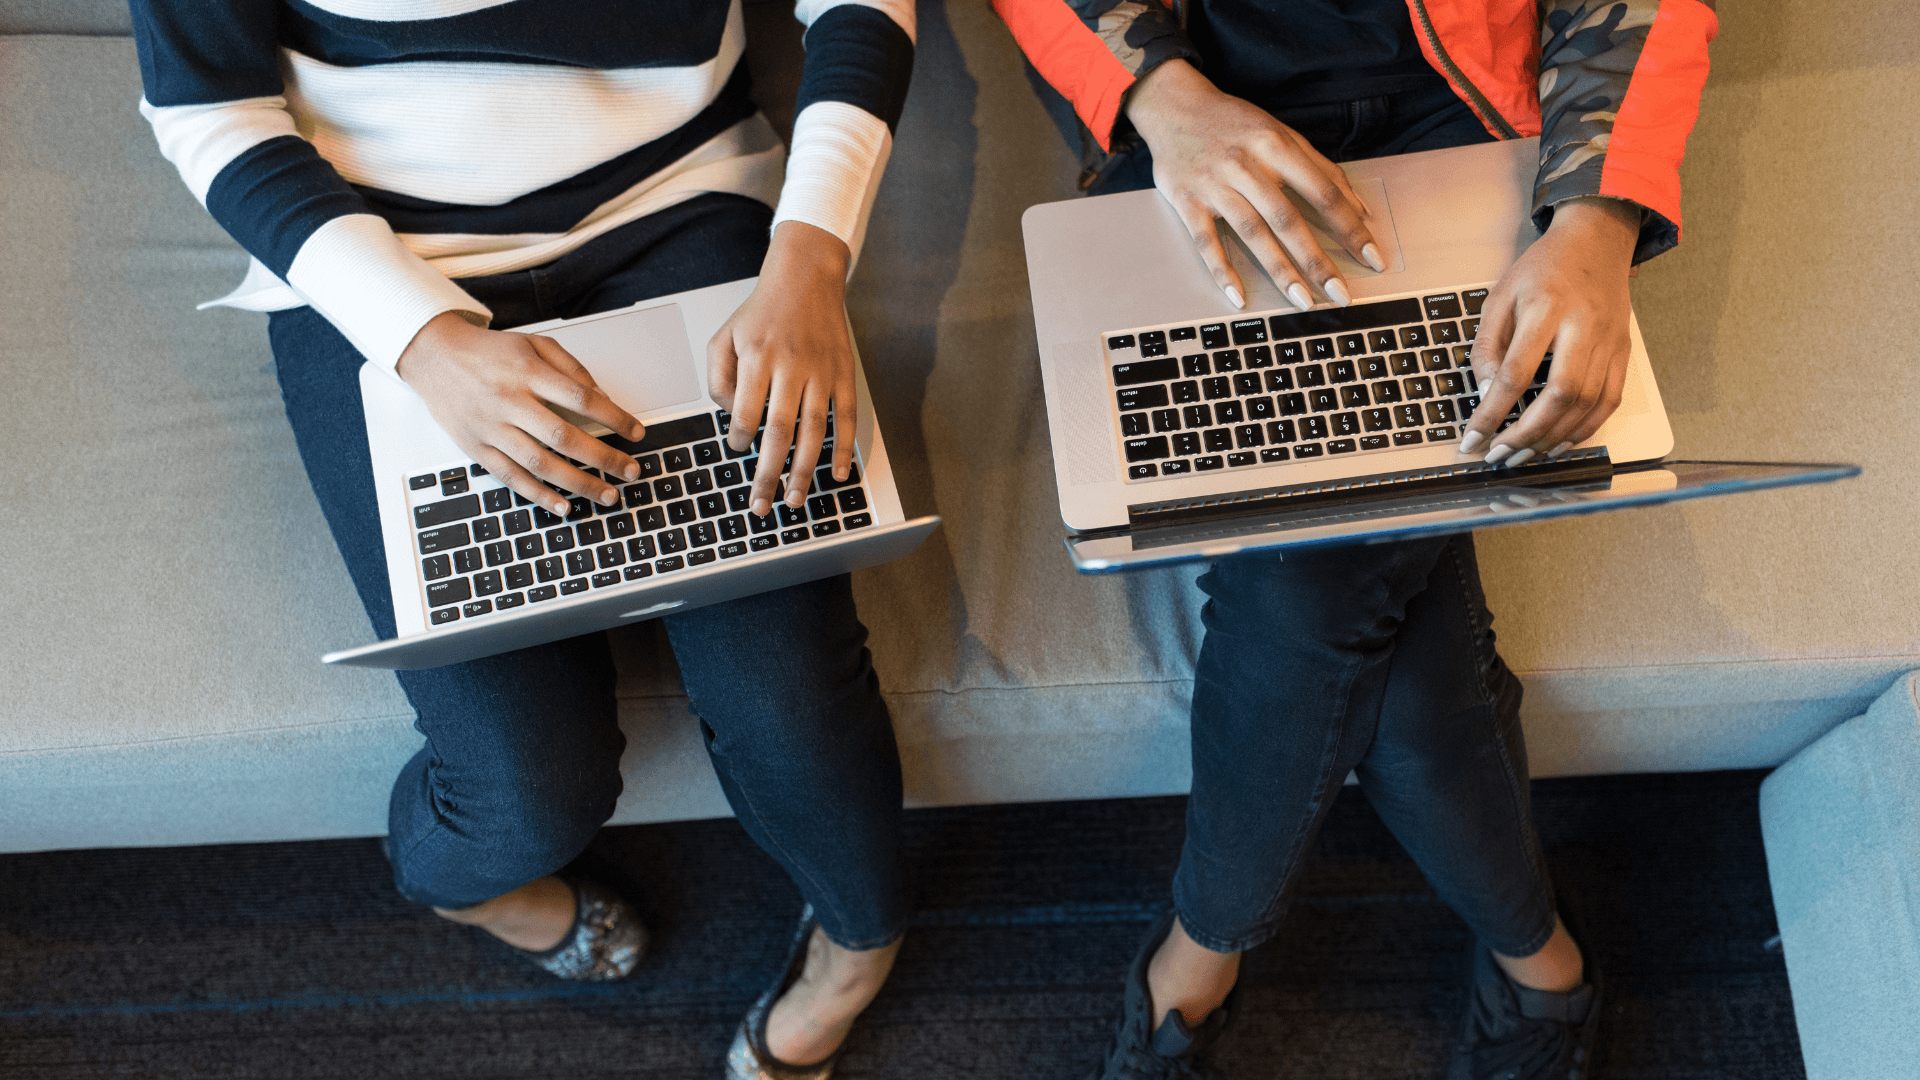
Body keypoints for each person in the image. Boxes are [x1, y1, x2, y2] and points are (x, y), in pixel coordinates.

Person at [128, 0, 918, 1074]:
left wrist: (814, 257)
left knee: (789, 701)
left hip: (677, 199)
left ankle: (860, 947)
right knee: (523, 787)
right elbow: (212, 106)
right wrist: (424, 340)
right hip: (379, 241)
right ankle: (475, 896)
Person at [991, 0, 1717, 1076]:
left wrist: (1595, 220)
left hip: (1465, 129)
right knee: (1391, 653)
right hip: (1206, 131)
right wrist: (1165, 97)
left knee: (1307, 598)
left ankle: (1196, 965)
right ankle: (1539, 961)